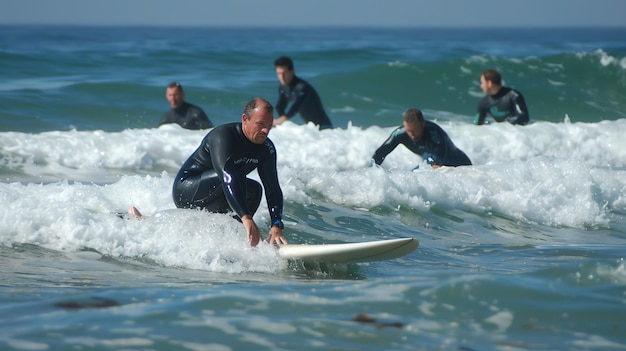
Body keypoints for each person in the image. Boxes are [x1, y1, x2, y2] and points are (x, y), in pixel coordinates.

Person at [171, 97, 287, 247]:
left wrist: (276, 224)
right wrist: (246, 217)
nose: (265, 131)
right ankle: (245, 226)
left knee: (254, 189)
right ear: (245, 119)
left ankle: (240, 239)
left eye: (269, 126)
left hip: (220, 192)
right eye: (260, 124)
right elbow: (228, 176)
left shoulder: (266, 148)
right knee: (236, 178)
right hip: (187, 190)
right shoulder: (223, 136)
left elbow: (273, 187)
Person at [370, 108, 472, 169]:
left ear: (423, 124)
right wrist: (371, 171)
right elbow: (380, 154)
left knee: (424, 163)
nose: (412, 134)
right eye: (408, 131)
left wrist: (432, 165)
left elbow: (437, 160)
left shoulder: (434, 133)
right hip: (434, 164)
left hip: (461, 165)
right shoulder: (400, 134)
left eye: (415, 130)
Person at [273, 56, 333, 130]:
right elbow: (280, 107)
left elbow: (297, 105)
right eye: (279, 73)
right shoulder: (283, 88)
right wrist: (282, 123)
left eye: (284, 73)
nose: (282, 77)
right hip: (312, 130)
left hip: (325, 128)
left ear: (292, 71)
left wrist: (284, 118)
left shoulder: (302, 87)